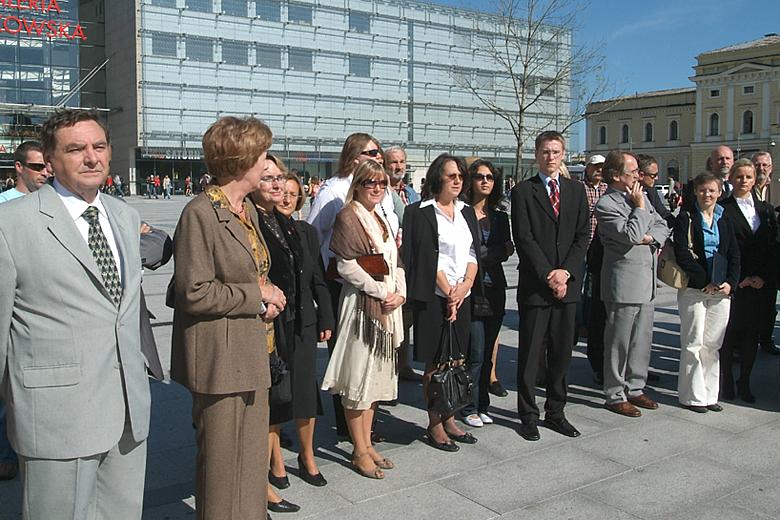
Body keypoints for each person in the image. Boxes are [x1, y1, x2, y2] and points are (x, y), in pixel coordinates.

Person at [0, 109, 150, 518]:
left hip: (127, 412)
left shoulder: (124, 216)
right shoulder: (10, 223)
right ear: (49, 161)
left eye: (99, 147)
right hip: (56, 417)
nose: (91, 158)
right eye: (76, 149)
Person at [170, 116, 286, 520]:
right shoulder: (200, 213)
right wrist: (257, 295)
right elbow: (192, 291)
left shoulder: (246, 209)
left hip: (253, 350)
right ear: (241, 159)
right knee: (221, 466)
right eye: (261, 155)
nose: (268, 164)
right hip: (219, 360)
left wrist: (265, 296)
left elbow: (253, 271)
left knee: (251, 459)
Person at [253, 156, 333, 514]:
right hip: (275, 321)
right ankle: (277, 463)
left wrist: (325, 316)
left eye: (291, 193)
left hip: (303, 320)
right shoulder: (261, 225)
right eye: (279, 190)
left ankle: (307, 455)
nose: (284, 197)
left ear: (300, 197)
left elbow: (318, 277)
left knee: (305, 391)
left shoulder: (302, 231)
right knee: (276, 395)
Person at [307, 133, 396, 440]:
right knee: (348, 358)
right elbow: (315, 234)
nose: (380, 155)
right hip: (344, 282)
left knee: (372, 358)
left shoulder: (380, 188)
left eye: (380, 150)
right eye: (373, 151)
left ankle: (365, 425)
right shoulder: (334, 192)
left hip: (381, 283)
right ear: (355, 156)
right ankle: (348, 426)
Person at [321, 160, 405, 479]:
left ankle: (367, 443)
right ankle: (358, 449)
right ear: (357, 184)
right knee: (358, 380)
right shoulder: (348, 215)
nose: (377, 189)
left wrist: (400, 291)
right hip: (361, 307)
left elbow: (395, 260)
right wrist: (380, 290)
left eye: (382, 184)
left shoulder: (381, 217)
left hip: (385, 306)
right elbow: (345, 265)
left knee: (374, 380)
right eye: (370, 183)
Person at [511, 130, 589, 441]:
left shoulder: (575, 190)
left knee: (561, 353)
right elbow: (524, 239)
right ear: (537, 154)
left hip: (567, 288)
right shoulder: (522, 192)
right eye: (545, 151)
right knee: (530, 354)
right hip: (536, 287)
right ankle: (528, 414)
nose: (551, 157)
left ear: (564, 153)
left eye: (556, 151)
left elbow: (582, 235)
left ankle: (556, 411)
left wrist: (566, 273)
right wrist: (549, 274)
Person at [401, 153, 482, 452]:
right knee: (436, 364)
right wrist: (449, 291)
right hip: (434, 298)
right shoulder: (419, 212)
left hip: (463, 296)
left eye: (461, 175)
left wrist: (466, 287)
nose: (458, 180)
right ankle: (434, 423)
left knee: (457, 360)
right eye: (452, 175)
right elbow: (424, 257)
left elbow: (474, 253)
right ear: (438, 178)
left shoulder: (465, 212)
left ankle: (450, 417)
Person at [595, 151, 669, 418]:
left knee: (641, 340)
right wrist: (638, 210)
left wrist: (649, 237)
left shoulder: (641, 196)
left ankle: (636, 387)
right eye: (633, 171)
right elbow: (630, 235)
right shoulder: (607, 204)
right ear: (615, 175)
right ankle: (615, 393)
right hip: (624, 283)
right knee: (619, 341)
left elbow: (662, 225)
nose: (639, 175)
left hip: (646, 281)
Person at [0, 140, 52, 481]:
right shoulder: (5, 207)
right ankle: (5, 455)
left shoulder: (52, 203)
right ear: (19, 167)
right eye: (37, 167)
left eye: (46, 166)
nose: (44, 172)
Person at [674, 172, 740, 413]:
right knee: (693, 343)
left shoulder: (725, 219)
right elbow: (682, 254)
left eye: (712, 190)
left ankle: (710, 395)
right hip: (695, 289)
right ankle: (692, 397)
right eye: (703, 190)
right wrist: (705, 280)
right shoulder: (686, 218)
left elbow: (734, 253)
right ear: (695, 192)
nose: (707, 194)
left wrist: (730, 282)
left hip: (721, 290)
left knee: (712, 345)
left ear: (720, 192)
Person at [459, 159, 512, 427]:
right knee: (475, 352)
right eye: (480, 177)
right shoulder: (461, 213)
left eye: (490, 177)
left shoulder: (500, 216)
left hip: (495, 289)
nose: (485, 181)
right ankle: (467, 405)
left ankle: (483, 404)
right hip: (472, 289)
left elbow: (508, 248)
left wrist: (484, 254)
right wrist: (489, 254)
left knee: (488, 349)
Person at [719, 159, 777, 402]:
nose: (744, 181)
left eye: (748, 177)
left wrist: (763, 277)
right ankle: (727, 382)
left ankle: (744, 381)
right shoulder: (722, 207)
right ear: (731, 178)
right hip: (734, 283)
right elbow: (721, 247)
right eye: (739, 176)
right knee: (728, 334)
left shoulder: (765, 209)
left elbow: (773, 246)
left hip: (759, 284)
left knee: (751, 335)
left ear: (756, 180)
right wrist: (739, 278)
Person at [384, 145, 422, 382]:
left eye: (401, 162)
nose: (398, 167)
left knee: (406, 317)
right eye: (393, 162)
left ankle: (403, 364)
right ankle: (390, 370)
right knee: (391, 319)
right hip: (390, 265)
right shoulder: (383, 193)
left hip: (409, 264)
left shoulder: (411, 192)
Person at [581, 154, 608, 383]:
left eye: (602, 167)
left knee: (595, 295)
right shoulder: (580, 188)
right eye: (595, 167)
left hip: (603, 252)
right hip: (584, 246)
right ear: (587, 168)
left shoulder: (609, 188)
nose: (598, 170)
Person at [750, 151, 779, 355]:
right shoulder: (745, 190)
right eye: (758, 165)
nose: (761, 168)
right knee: (748, 304)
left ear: (771, 167)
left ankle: (766, 339)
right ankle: (745, 341)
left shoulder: (777, 188)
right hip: (751, 254)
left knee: (769, 301)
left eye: (765, 165)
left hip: (774, 254)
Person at [637, 154, 675, 228]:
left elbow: (663, 213)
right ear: (641, 175)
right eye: (653, 175)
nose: (656, 178)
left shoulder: (651, 190)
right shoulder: (628, 193)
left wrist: (680, 222)